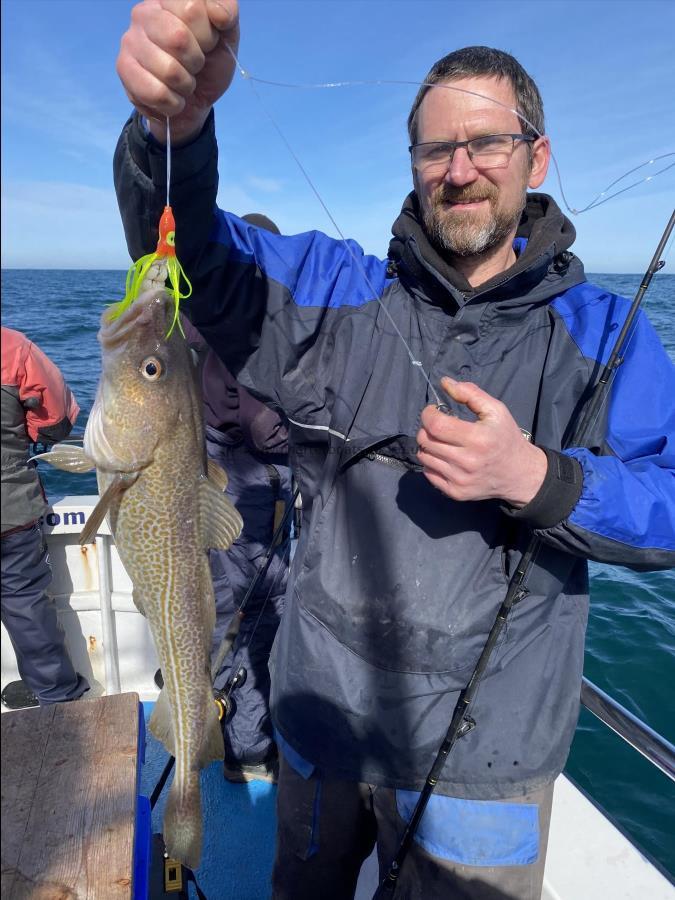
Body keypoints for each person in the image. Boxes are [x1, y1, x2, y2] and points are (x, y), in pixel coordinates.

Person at [114, 5, 675, 898]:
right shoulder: (339, 290)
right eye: (433, 151)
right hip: (317, 726)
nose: (459, 171)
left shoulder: (604, 335)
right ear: (411, 166)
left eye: (487, 143)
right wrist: (170, 134)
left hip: (485, 760)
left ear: (537, 155)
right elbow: (200, 263)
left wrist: (539, 478)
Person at [180, 217, 292, 784]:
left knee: (218, 609)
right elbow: (267, 428)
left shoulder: (195, 314)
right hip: (250, 492)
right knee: (255, 621)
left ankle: (208, 725)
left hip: (206, 476)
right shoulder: (252, 323)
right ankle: (246, 755)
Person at [1, 326, 90, 709]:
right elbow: (57, 422)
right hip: (11, 508)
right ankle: (57, 699)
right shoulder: (13, 348)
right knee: (26, 606)